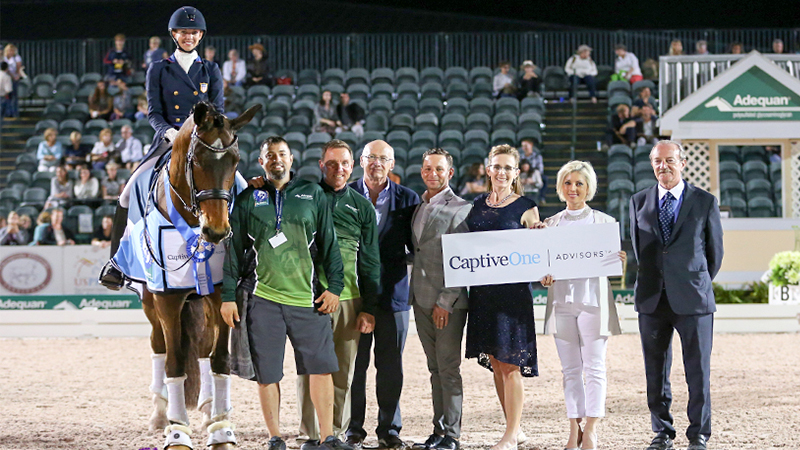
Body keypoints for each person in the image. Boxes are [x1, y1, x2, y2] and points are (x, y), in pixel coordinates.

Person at [222, 136, 351, 450]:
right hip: (262, 301)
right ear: (261, 162)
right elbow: (234, 251)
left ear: (292, 159)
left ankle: (327, 437)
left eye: (282, 154)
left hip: (308, 299)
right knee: (268, 374)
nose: (276, 159)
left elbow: (330, 245)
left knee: (321, 368)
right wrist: (227, 297)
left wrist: (335, 288)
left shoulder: (313, 194)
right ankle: (275, 437)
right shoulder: (248, 198)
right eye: (270, 155)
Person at [99, 6, 223, 290]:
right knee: (128, 191)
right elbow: (153, 113)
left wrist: (203, 133)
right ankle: (116, 262)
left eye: (194, 32)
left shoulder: (210, 69)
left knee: (238, 184)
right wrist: (172, 133)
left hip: (203, 141)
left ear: (201, 35)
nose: (189, 36)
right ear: (174, 34)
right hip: (168, 140)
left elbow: (218, 110)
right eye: (184, 32)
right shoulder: (158, 68)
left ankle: (244, 256)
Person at [629, 141, 724, 450]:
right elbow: (638, 249)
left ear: (682, 163)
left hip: (694, 299)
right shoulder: (638, 201)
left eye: (670, 160)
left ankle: (698, 434)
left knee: (698, 371)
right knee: (655, 373)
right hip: (652, 299)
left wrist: (692, 281)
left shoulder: (705, 201)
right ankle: (662, 433)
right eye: (658, 161)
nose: (664, 166)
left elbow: (714, 254)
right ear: (651, 164)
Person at [294, 139, 380, 449]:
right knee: (309, 371)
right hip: (309, 299)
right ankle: (310, 434)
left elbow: (370, 260)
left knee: (343, 372)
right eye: (332, 164)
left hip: (349, 300)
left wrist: (369, 307)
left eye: (344, 163)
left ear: (352, 165)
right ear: (322, 165)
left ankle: (336, 434)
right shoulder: (304, 197)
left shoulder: (362, 206)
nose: (338, 169)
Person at [537, 160, 625, 450]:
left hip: (593, 302)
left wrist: (618, 260)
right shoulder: (549, 225)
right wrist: (543, 276)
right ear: (560, 187)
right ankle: (573, 428)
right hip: (561, 302)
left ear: (589, 188)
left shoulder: (605, 223)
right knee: (570, 370)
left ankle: (591, 429)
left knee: (595, 367)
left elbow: (611, 263)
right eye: (568, 183)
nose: (573, 188)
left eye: (579, 183)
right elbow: (543, 267)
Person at [346, 140, 420, 450]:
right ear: (361, 161)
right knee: (355, 367)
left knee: (390, 367)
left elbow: (418, 247)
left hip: (394, 296)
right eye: (371, 157)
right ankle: (353, 429)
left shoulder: (409, 198)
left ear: (392, 164)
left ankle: (389, 429)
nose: (377, 162)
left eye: (383, 158)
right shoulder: (344, 194)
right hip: (353, 296)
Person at [465, 145, 539, 450]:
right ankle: (514, 428)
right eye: (497, 166)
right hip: (483, 294)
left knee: (510, 365)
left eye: (508, 167)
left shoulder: (527, 207)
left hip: (512, 296)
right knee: (496, 363)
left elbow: (539, 251)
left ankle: (510, 435)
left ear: (516, 173)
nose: (501, 172)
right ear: (488, 169)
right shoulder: (476, 205)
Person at [409, 148, 472, 450]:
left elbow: (463, 260)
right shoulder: (419, 206)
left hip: (447, 304)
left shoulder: (461, 208)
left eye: (438, 169)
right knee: (434, 369)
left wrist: (446, 301)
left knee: (448, 369)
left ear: (450, 172)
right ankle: (439, 430)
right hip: (420, 299)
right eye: (427, 168)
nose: (432, 174)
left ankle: (452, 435)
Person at [519, 138, 546, 204]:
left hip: (534, 173)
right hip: (523, 173)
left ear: (531, 145)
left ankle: (542, 197)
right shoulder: (521, 156)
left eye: (526, 146)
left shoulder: (537, 156)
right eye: (523, 146)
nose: (524, 148)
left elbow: (540, 168)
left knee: (545, 179)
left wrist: (534, 175)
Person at [3, 43, 25, 117]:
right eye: (9, 51)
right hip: (6, 79)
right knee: (6, 96)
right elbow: (5, 69)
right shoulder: (4, 58)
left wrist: (17, 76)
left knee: (14, 96)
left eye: (12, 51)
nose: (10, 52)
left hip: (14, 79)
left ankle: (15, 113)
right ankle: (7, 112)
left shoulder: (17, 58)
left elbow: (18, 68)